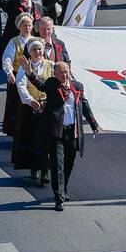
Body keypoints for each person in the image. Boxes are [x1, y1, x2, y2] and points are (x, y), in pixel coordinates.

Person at [22, 60, 100, 211]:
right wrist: (29, 71)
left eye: (66, 72)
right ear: (55, 74)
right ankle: (58, 197)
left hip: (73, 132)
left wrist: (93, 123)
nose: (64, 75)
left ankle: (64, 189)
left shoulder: (77, 86)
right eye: (61, 72)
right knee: (57, 165)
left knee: (69, 164)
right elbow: (40, 84)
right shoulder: (52, 85)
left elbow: (84, 105)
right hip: (56, 133)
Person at [12, 39, 53, 186]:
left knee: (46, 140)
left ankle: (45, 172)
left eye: (39, 49)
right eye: (34, 50)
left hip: (47, 108)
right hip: (31, 108)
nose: (37, 52)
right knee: (32, 139)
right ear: (29, 52)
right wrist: (30, 101)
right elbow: (21, 85)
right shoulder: (25, 67)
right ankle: (34, 168)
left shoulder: (51, 65)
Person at [1, 13, 37, 136]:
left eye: (29, 25)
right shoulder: (14, 42)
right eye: (24, 25)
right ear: (19, 27)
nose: (27, 28)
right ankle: (14, 129)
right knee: (15, 103)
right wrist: (10, 73)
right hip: (17, 75)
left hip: (31, 76)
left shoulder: (35, 41)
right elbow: (7, 59)